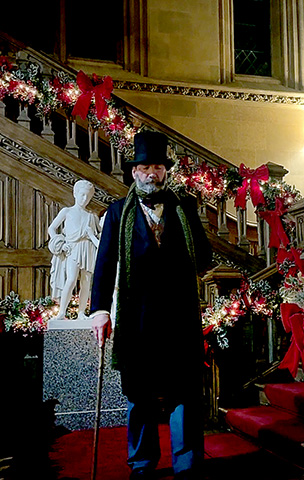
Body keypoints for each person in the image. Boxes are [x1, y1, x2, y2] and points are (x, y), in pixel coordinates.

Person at [90, 130, 212, 480]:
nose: (151, 174)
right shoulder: (118, 212)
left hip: (179, 316)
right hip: (137, 318)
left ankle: (187, 463)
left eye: (157, 167)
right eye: (145, 168)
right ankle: (142, 463)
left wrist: (192, 223)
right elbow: (104, 263)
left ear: (165, 171)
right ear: (134, 172)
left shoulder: (184, 208)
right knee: (139, 392)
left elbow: (203, 258)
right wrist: (100, 311)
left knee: (184, 391)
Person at [48, 179, 101, 320]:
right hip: (73, 248)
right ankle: (61, 312)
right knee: (71, 279)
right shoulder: (67, 211)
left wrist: (93, 234)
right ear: (75, 193)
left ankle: (81, 312)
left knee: (86, 282)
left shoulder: (92, 216)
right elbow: (52, 228)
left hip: (88, 248)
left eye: (88, 196)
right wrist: (60, 243)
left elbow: (100, 232)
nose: (85, 199)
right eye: (82, 195)